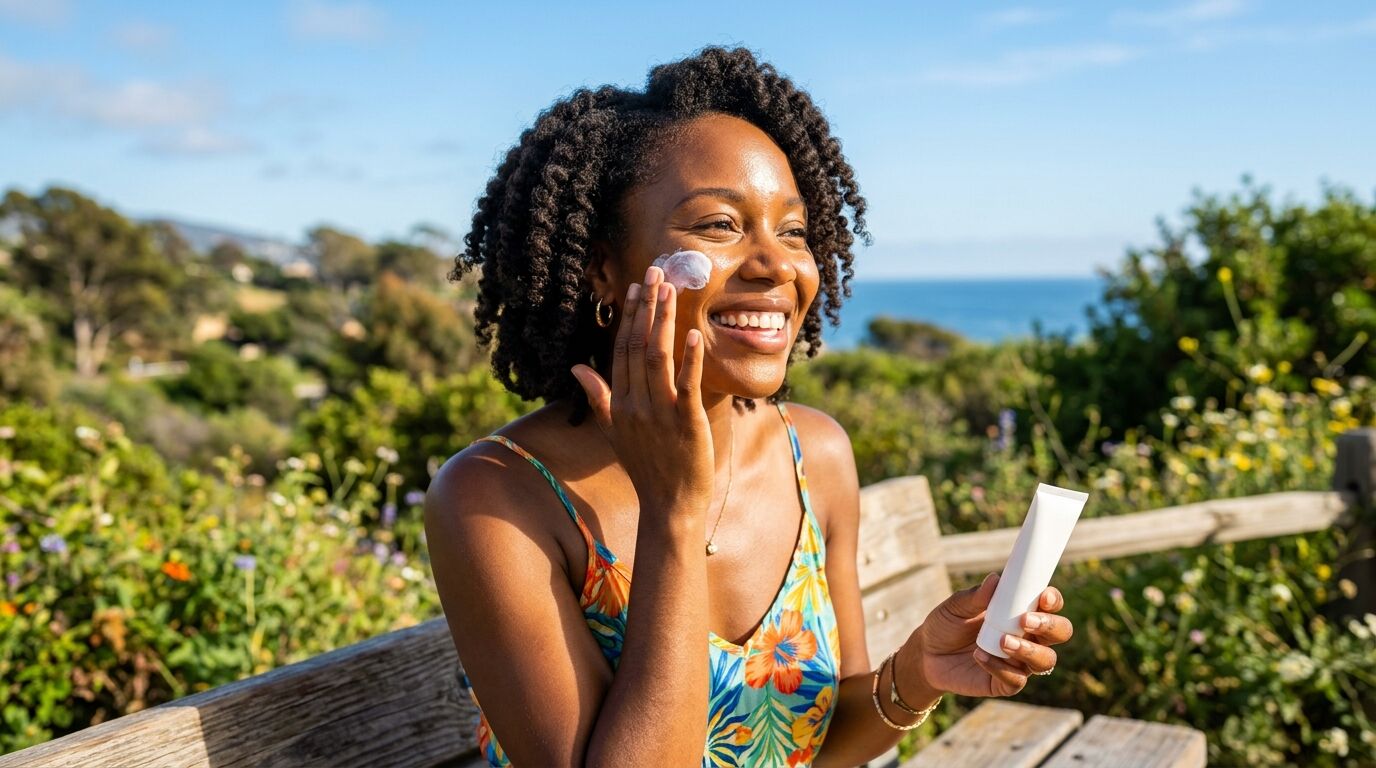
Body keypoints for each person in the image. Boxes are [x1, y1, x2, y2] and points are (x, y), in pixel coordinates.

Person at [425, 46, 1074, 768]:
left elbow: (821, 749)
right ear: (602, 268)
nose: (776, 266)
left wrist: (920, 670)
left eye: (793, 231)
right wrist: (675, 513)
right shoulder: (497, 498)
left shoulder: (814, 455)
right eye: (719, 226)